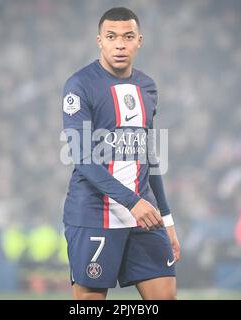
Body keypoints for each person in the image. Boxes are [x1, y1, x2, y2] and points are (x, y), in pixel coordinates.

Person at [62, 7, 180, 300]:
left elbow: (149, 157)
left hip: (144, 216)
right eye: (111, 36)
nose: (120, 44)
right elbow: (83, 158)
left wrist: (167, 220)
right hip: (94, 214)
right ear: (99, 40)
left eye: (128, 37)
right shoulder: (80, 85)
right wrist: (132, 202)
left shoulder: (147, 87)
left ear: (139, 40)